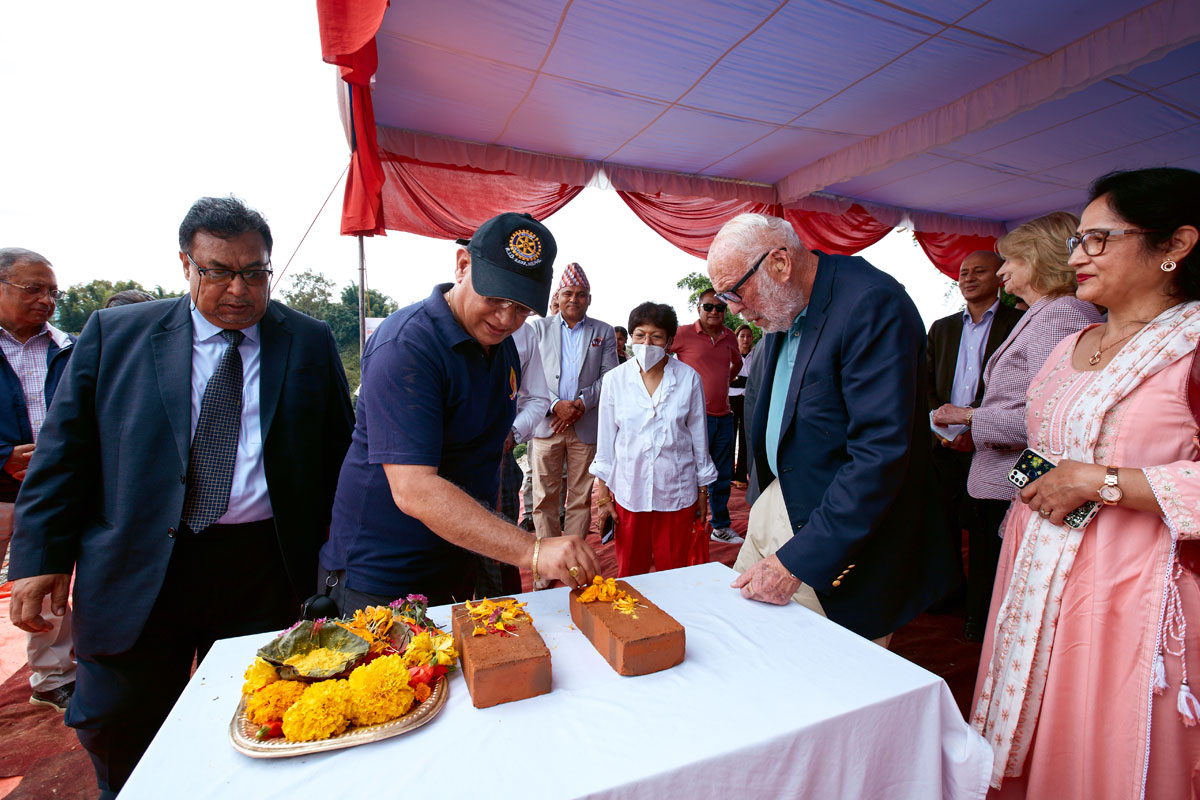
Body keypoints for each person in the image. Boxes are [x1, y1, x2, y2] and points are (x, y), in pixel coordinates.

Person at [6, 196, 355, 797]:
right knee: (122, 726)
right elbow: (65, 458)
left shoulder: (308, 341)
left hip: (264, 571)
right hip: (139, 566)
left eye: (255, 271)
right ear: (186, 265)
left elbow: (340, 459)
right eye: (219, 270)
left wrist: (339, 566)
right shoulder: (116, 336)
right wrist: (41, 559)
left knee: (264, 726)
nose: (239, 289)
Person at [970, 168, 1200, 798]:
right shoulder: (1071, 340)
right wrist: (1039, 478)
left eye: (1098, 240)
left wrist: (1099, 482)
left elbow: (1085, 471)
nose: (1075, 257)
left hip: (1131, 591)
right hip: (1034, 577)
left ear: (1175, 245)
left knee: (1103, 746)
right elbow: (1042, 450)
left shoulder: (1192, 343)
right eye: (1077, 240)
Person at [319, 213, 600, 610]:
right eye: (495, 298)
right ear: (463, 265)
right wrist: (533, 550)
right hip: (381, 576)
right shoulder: (408, 346)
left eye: (521, 308)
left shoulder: (502, 347)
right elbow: (414, 489)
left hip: (453, 561)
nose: (505, 319)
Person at [709, 213, 953, 644]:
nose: (732, 310)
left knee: (823, 676)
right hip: (778, 505)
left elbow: (879, 456)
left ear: (780, 264)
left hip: (835, 535)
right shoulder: (785, 306)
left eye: (735, 293)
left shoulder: (870, 303)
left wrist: (798, 561)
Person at [933, 213, 1102, 642]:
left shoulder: (1063, 313)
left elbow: (1051, 416)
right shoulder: (1042, 312)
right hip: (999, 480)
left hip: (1019, 485)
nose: (1003, 270)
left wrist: (969, 416)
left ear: (1039, 260)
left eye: (1011, 261)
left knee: (1001, 601)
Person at [925, 251, 1022, 618]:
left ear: (999, 277)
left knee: (985, 530)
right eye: (963, 272)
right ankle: (949, 591)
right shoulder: (942, 327)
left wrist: (973, 427)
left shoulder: (1020, 323)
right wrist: (943, 430)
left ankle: (983, 609)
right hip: (944, 444)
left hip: (993, 445)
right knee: (942, 524)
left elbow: (1018, 388)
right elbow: (926, 385)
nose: (968, 278)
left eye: (979, 271)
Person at [0, 248, 76, 713]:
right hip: (3, 489)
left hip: (57, 488)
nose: (46, 300)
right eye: (33, 289)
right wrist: (4, 456)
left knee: (54, 582)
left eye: (52, 291)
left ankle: (53, 676)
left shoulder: (69, 347)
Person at [591, 303, 716, 576]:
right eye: (639, 335)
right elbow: (606, 444)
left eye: (656, 336)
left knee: (674, 570)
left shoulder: (688, 379)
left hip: (677, 491)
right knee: (630, 573)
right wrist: (603, 497)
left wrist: (703, 492)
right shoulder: (614, 381)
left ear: (669, 341)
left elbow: (698, 439)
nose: (647, 342)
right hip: (629, 491)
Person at [527, 263, 618, 574]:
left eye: (581, 295)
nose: (574, 299)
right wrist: (556, 405)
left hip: (585, 424)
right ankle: (546, 568)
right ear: (558, 296)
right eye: (568, 293)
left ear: (589, 299)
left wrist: (579, 404)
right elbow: (530, 376)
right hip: (547, 423)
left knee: (580, 499)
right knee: (544, 499)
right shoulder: (537, 329)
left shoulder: (602, 331)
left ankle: (574, 566)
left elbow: (609, 378)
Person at [669, 289, 743, 545]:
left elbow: (738, 364)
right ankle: (686, 525)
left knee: (721, 476)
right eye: (708, 306)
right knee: (688, 474)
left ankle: (720, 526)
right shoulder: (682, 333)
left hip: (724, 416)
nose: (714, 312)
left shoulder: (730, 336)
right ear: (698, 308)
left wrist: (723, 380)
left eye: (720, 308)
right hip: (691, 420)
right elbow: (658, 357)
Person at [729, 323, 757, 488]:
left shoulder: (756, 355)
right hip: (731, 399)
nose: (745, 339)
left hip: (748, 399)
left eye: (748, 336)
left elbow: (754, 379)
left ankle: (741, 475)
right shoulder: (730, 354)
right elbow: (727, 379)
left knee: (746, 437)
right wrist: (741, 381)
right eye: (742, 336)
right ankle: (728, 474)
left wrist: (740, 380)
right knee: (730, 435)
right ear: (736, 337)